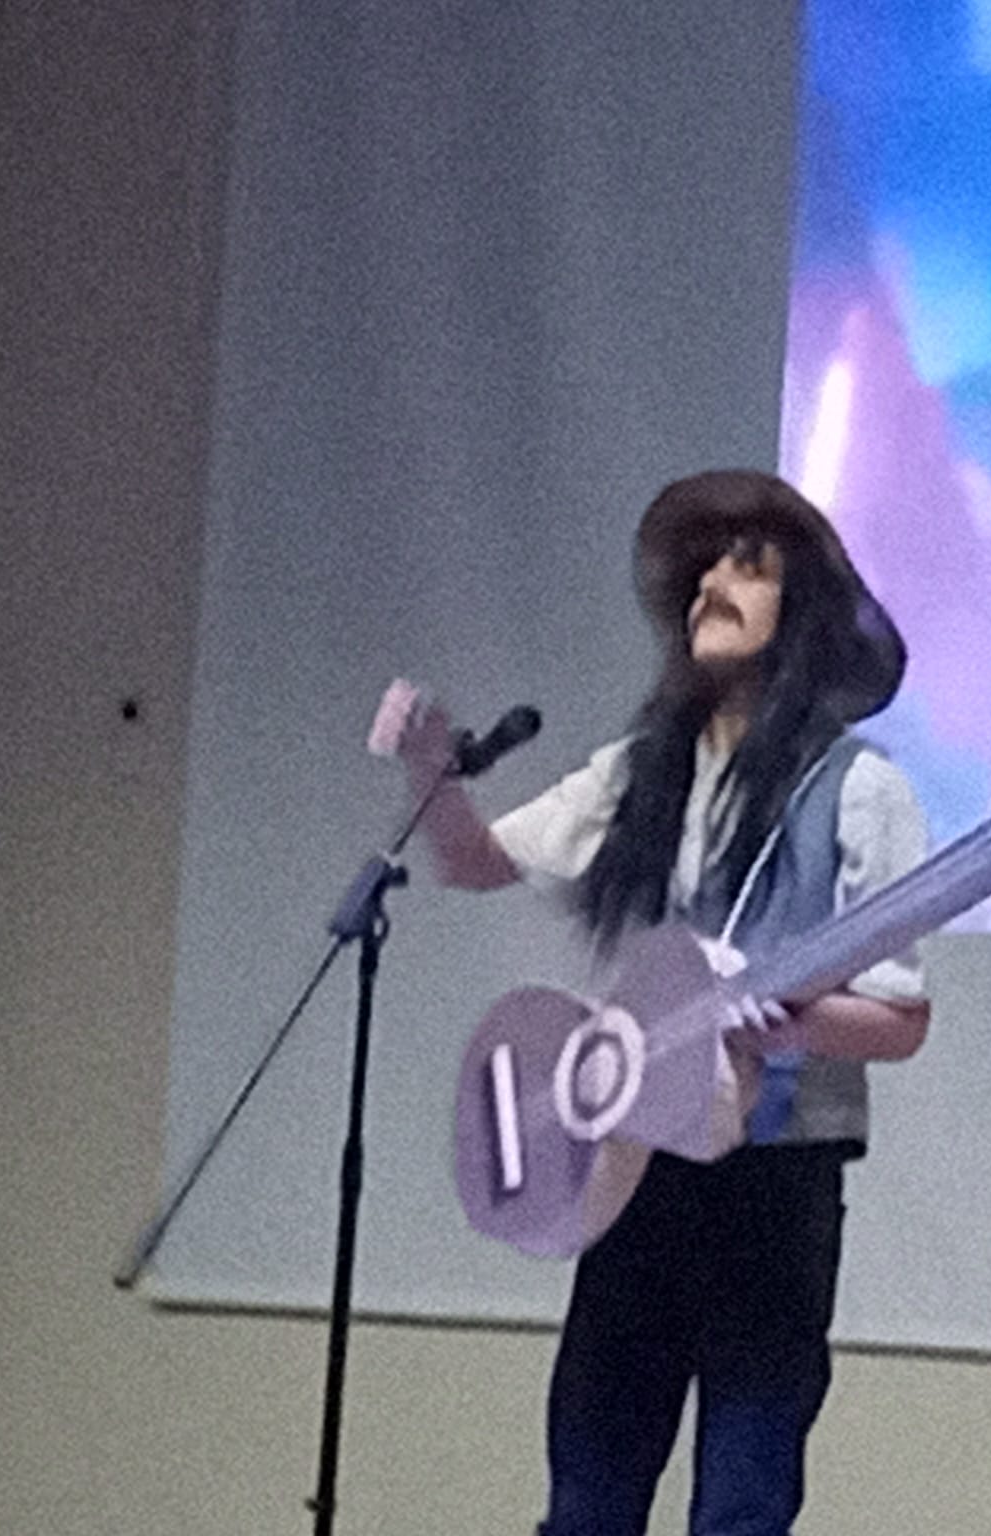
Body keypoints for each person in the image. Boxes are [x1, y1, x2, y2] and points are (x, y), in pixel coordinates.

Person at [384, 469, 932, 1536]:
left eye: (749, 567)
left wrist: (784, 1019)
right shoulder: (641, 771)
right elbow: (476, 859)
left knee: (740, 1503)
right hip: (629, 1170)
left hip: (774, 1183)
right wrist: (426, 773)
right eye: (703, 570)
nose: (712, 585)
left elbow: (901, 1021)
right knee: (586, 1496)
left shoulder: (860, 788)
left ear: (803, 611)